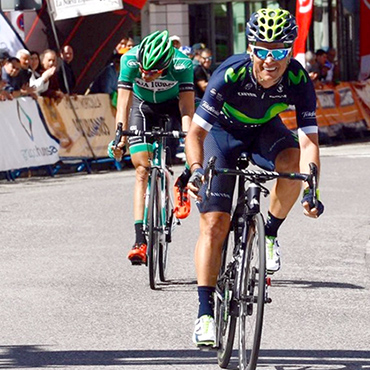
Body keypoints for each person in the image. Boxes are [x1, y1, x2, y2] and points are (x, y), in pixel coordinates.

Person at [185, 8, 324, 347]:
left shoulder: (296, 79)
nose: (270, 60)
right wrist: (196, 170)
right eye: (262, 50)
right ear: (251, 50)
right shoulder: (230, 74)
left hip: (264, 132)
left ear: (290, 52)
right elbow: (195, 134)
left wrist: (311, 189)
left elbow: (308, 141)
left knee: (291, 158)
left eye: (279, 51)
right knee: (215, 225)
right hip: (222, 135)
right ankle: (205, 314)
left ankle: (270, 234)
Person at [110, 30, 194, 265]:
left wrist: (190, 142)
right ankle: (139, 239)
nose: (146, 76)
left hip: (172, 106)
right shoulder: (129, 60)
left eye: (153, 72)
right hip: (142, 106)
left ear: (166, 65)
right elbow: (123, 104)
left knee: (190, 147)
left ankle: (182, 183)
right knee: (141, 169)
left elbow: (187, 109)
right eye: (144, 71)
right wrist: (120, 137)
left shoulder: (182, 64)